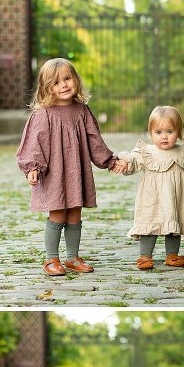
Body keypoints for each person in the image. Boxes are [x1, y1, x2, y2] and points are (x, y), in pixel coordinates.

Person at [16, 57, 122, 276]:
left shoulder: (82, 111)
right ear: (47, 88)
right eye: (56, 82)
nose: (63, 85)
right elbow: (34, 142)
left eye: (67, 79)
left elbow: (95, 140)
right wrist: (32, 167)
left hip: (76, 171)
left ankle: (73, 257)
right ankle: (51, 260)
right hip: (54, 172)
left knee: (74, 213)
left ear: (76, 80)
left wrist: (109, 160)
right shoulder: (43, 114)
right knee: (57, 213)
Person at [113, 105, 184, 270]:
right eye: (158, 132)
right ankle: (145, 257)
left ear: (178, 132)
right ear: (151, 133)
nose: (164, 137)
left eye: (170, 132)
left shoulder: (182, 153)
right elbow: (133, 160)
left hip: (175, 198)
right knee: (150, 224)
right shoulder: (146, 152)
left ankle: (172, 255)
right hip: (152, 199)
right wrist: (125, 162)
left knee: (173, 225)